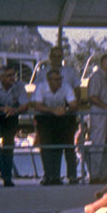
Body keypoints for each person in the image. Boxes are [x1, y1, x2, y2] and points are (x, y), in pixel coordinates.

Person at [34, 46, 81, 180]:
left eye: (59, 56)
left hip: (65, 114)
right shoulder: (42, 73)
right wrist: (52, 110)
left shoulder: (70, 72)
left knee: (68, 146)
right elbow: (37, 100)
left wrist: (67, 109)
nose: (57, 59)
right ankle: (50, 175)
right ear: (50, 57)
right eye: (54, 56)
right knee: (48, 146)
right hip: (46, 115)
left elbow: (76, 92)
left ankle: (72, 175)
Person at [0, 65, 29, 187]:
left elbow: (25, 105)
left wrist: (15, 110)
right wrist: (3, 109)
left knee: (8, 145)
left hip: (10, 117)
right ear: (1, 77)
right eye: (9, 76)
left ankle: (6, 177)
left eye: (14, 75)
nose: (13, 78)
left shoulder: (19, 86)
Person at [87, 53, 107, 184]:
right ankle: (94, 174)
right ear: (104, 63)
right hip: (100, 113)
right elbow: (93, 97)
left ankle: (105, 174)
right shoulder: (96, 77)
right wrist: (106, 107)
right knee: (98, 143)